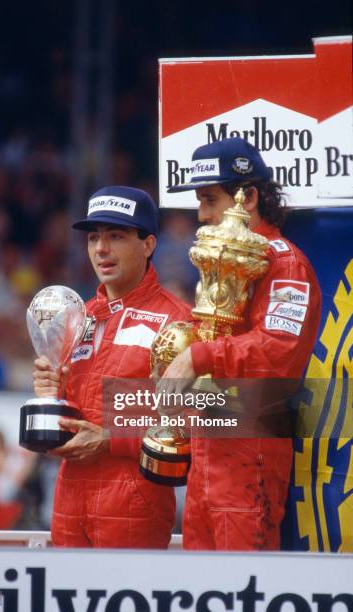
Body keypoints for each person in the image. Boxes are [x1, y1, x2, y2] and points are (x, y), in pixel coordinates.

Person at [162, 137, 322, 551]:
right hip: (207, 453)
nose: (201, 215)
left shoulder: (285, 263)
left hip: (251, 458)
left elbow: (277, 354)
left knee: (243, 592)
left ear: (247, 197)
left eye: (209, 200)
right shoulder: (218, 261)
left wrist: (198, 356)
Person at [34, 186, 190, 548]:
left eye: (116, 236)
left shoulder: (178, 323)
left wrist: (111, 440)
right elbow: (73, 410)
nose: (101, 249)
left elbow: (205, 422)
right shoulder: (76, 318)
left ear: (148, 245)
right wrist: (50, 394)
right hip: (69, 493)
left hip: (135, 498)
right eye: (93, 238)